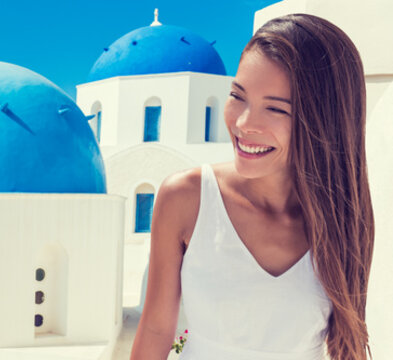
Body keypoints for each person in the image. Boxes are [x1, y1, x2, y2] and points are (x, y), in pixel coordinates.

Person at [130, 14, 374, 360]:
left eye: (275, 109)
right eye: (237, 96)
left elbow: (347, 347)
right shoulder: (186, 198)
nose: (244, 124)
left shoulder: (344, 217)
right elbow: (156, 330)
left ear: (324, 121)